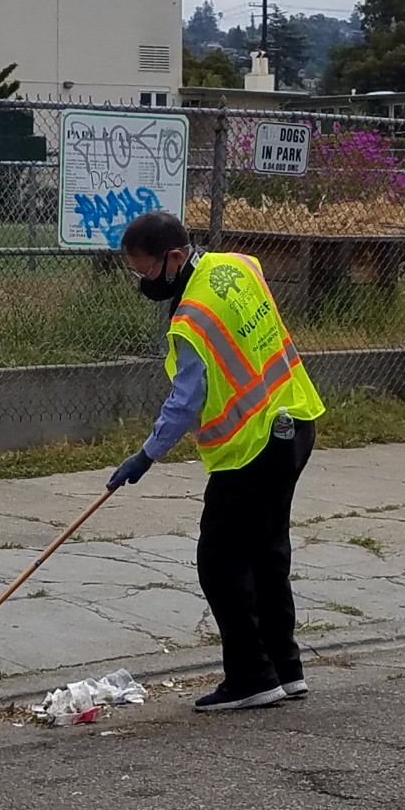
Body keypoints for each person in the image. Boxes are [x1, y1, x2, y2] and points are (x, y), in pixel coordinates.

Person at [107, 210, 326, 712]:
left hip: (252, 445)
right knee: (267, 552)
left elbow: (185, 401)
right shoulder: (238, 266)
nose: (144, 282)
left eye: (146, 272)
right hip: (294, 418)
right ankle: (284, 669)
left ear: (176, 257)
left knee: (220, 560)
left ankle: (251, 675)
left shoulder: (192, 319)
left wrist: (146, 455)